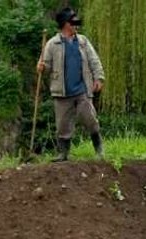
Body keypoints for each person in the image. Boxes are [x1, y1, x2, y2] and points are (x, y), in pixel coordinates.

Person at [37, 7, 105, 162]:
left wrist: (99, 78)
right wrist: (41, 67)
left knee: (89, 118)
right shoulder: (52, 44)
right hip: (62, 91)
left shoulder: (82, 41)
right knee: (62, 125)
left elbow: (94, 60)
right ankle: (63, 154)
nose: (76, 24)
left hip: (82, 88)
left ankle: (99, 150)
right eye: (73, 21)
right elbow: (45, 65)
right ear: (66, 24)